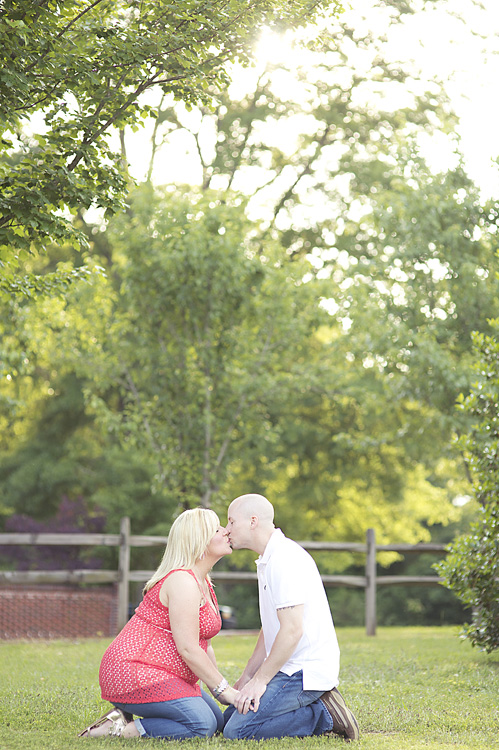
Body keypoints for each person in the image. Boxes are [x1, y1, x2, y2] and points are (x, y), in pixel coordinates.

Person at [78, 508, 239, 739]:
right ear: (199, 540)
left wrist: (217, 690)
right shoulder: (182, 581)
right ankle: (115, 729)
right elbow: (188, 648)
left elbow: (205, 645)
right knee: (201, 725)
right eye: (217, 529)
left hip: (167, 675)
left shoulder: (204, 583)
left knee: (216, 722)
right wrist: (225, 691)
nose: (226, 532)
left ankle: (122, 714)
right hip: (134, 670)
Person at [223, 493, 359, 741]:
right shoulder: (268, 559)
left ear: (253, 521)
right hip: (286, 667)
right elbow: (271, 627)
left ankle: (324, 714)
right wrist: (248, 675)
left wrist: (261, 681)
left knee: (237, 730)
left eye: (231, 521)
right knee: (227, 719)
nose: (227, 529)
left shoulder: (284, 559)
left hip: (303, 672)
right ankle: (307, 708)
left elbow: (292, 630)